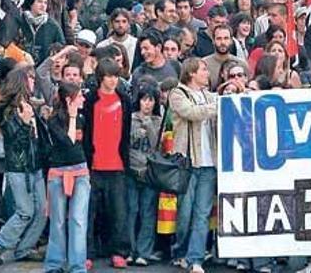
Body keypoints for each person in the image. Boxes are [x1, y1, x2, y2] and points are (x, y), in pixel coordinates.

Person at [0, 66, 48, 265]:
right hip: (19, 169)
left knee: (42, 211)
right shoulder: (9, 110)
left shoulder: (28, 105)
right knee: (25, 211)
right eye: (30, 78)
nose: (33, 82)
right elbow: (14, 141)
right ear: (21, 81)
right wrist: (25, 123)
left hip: (34, 165)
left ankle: (24, 248)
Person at [82, 59, 132, 268]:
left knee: (118, 212)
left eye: (116, 76)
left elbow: (127, 132)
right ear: (101, 77)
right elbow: (85, 133)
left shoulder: (125, 100)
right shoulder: (90, 100)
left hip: (117, 164)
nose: (113, 80)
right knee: (89, 212)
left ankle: (119, 251)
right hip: (93, 164)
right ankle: (87, 252)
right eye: (109, 76)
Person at [169, 58, 217, 273]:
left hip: (209, 164)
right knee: (185, 212)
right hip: (188, 163)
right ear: (191, 73)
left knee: (202, 213)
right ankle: (179, 251)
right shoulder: (177, 94)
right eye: (203, 70)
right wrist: (217, 106)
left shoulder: (208, 96)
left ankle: (195, 258)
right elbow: (192, 113)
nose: (207, 73)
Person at [44, 82, 91, 273]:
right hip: (59, 171)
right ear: (68, 99)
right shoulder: (54, 120)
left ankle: (77, 265)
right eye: (79, 96)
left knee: (78, 220)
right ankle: (54, 263)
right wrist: (72, 117)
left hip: (80, 170)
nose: (83, 99)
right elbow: (69, 142)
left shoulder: (82, 118)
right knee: (58, 220)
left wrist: (75, 117)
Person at [125, 84, 162, 266]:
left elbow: (157, 144)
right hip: (132, 169)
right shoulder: (130, 119)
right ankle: (130, 250)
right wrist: (135, 134)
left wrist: (149, 125)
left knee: (148, 212)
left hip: (149, 172)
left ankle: (144, 251)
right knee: (131, 211)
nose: (147, 104)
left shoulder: (157, 120)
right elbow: (125, 143)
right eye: (144, 99)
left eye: (151, 100)